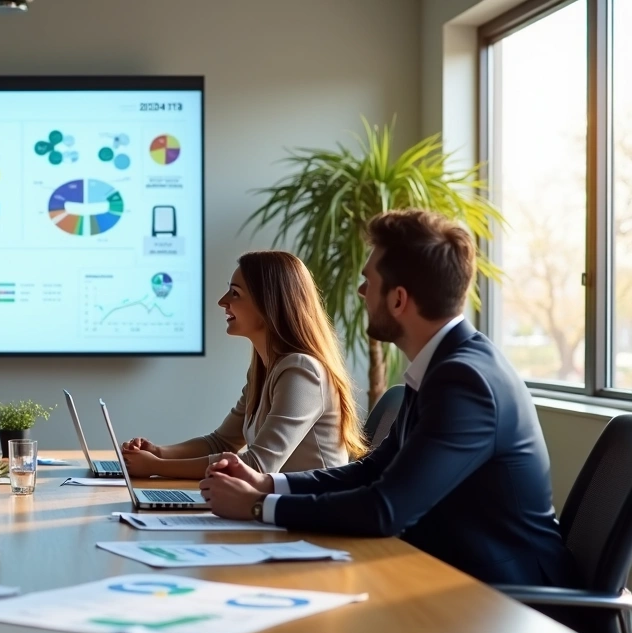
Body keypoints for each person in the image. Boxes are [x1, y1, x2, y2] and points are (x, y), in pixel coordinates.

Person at [198, 210, 577, 589]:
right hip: (449, 574)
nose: (362, 291)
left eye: (368, 280)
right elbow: (372, 470)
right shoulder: (442, 365)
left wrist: (256, 507)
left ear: (398, 299)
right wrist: (266, 485)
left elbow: (385, 509)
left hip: (507, 595)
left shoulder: (465, 380)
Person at [120, 251, 365, 479]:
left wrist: (156, 467)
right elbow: (221, 442)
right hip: (276, 507)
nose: (222, 301)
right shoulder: (265, 367)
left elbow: (258, 465)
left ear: (269, 304)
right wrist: (159, 452)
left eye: (235, 293)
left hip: (311, 517)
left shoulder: (302, 372)